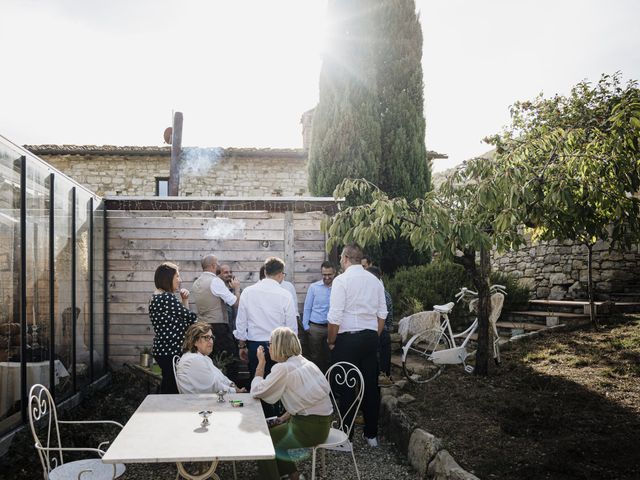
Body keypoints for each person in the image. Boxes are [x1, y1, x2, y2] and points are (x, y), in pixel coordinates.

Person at [251, 327, 332, 480]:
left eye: (270, 344)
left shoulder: (284, 368)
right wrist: (282, 418)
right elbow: (306, 401)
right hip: (322, 424)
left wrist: (260, 363)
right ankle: (294, 475)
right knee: (273, 434)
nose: (269, 348)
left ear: (279, 346)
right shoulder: (304, 361)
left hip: (310, 428)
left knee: (263, 440)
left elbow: (257, 391)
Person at [327, 244, 387, 447]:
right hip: (370, 338)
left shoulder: (341, 281)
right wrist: (373, 335)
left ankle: (346, 437)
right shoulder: (375, 280)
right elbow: (382, 314)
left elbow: (334, 316)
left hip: (347, 340)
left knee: (346, 388)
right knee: (370, 386)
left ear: (345, 259)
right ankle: (371, 435)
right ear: (359, 259)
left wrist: (331, 341)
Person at [234, 257, 297, 381]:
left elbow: (241, 321)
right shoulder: (285, 295)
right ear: (280, 275)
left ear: (265, 272)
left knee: (257, 380)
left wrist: (241, 346)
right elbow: (291, 327)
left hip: (255, 345)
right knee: (278, 383)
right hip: (279, 346)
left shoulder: (247, 292)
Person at [149, 262, 197, 394]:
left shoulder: (157, 297)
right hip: (169, 352)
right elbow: (191, 318)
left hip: (164, 351)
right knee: (171, 389)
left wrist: (184, 300)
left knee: (170, 385)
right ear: (167, 278)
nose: (180, 280)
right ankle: (164, 412)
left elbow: (185, 318)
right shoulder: (167, 298)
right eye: (177, 276)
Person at [192, 254, 241, 382]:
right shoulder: (215, 281)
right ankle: (232, 391)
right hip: (218, 328)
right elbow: (236, 303)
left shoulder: (196, 283)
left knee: (210, 363)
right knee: (230, 361)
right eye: (217, 263)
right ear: (213, 265)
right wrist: (236, 289)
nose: (218, 265)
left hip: (202, 329)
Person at [176, 322, 247, 394]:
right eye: (206, 337)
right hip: (198, 402)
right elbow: (214, 386)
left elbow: (220, 377)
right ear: (194, 341)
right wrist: (236, 391)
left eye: (211, 337)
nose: (211, 342)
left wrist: (232, 385)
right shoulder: (193, 359)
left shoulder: (201, 357)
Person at [302, 261, 336, 372]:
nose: (326, 277)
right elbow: (307, 307)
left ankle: (330, 381)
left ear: (334, 273)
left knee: (331, 356)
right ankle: (316, 381)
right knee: (315, 357)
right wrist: (306, 326)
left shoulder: (338, 287)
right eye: (324, 274)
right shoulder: (314, 287)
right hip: (315, 328)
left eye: (329, 274)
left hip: (332, 327)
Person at [367, 266, 394, 386]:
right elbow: (390, 318)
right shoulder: (384, 293)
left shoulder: (381, 295)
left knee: (379, 361)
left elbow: (387, 317)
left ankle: (383, 378)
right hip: (380, 331)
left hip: (378, 332)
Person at [218, 264, 239, 330]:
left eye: (230, 272)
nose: (229, 274)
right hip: (224, 329)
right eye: (226, 272)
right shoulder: (218, 290)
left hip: (236, 329)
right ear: (219, 275)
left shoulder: (237, 290)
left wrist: (236, 289)